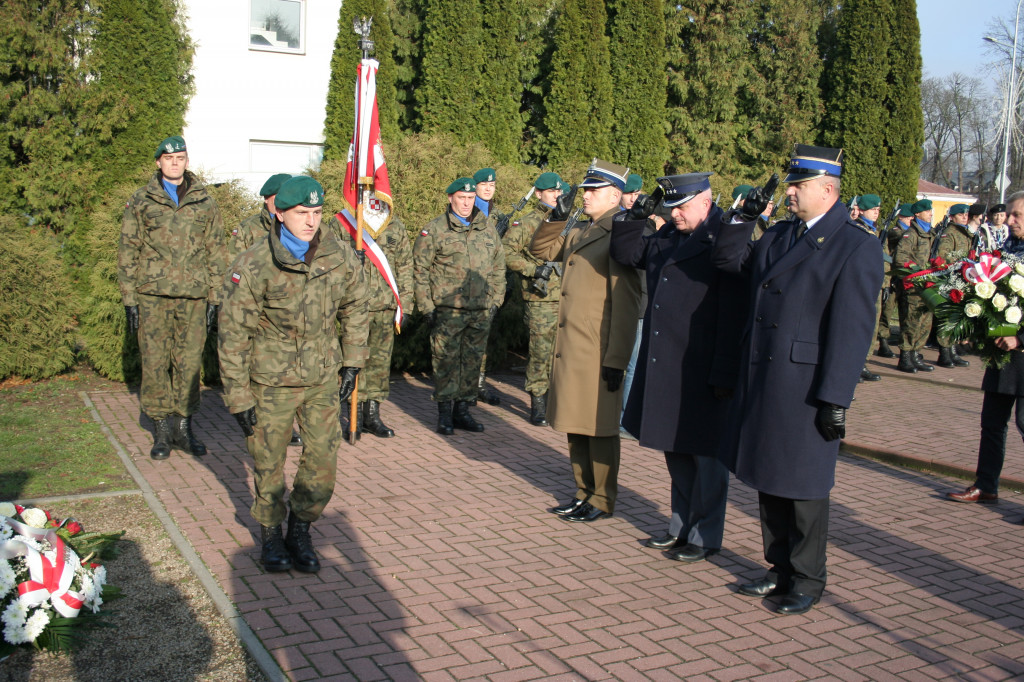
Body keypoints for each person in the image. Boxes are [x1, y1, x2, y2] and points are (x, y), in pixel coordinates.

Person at [712, 145, 883, 615]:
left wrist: (835, 396)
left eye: (798, 185)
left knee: (804, 484)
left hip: (805, 385)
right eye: (791, 183)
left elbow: (852, 330)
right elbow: (731, 265)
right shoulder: (780, 235)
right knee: (770, 474)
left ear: (827, 190)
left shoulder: (855, 244)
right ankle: (779, 566)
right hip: (765, 374)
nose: (789, 192)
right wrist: (740, 219)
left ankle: (808, 576)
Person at [218, 176, 369, 573]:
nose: (310, 221)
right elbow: (233, 333)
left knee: (322, 460)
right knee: (268, 463)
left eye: (317, 213)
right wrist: (238, 397)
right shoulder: (254, 264)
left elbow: (356, 304)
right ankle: (270, 533)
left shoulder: (335, 255)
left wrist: (352, 361)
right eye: (302, 213)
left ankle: (300, 529)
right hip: (270, 383)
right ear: (279, 213)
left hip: (321, 378)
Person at [610, 172, 744, 562]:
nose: (674, 214)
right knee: (676, 451)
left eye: (681, 207)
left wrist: (724, 371)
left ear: (706, 201)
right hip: (668, 363)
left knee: (706, 457)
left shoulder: (725, 240)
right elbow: (628, 254)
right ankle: (679, 526)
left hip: (703, 367)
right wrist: (635, 216)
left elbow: (733, 314)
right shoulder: (669, 235)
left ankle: (705, 535)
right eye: (669, 207)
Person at [529, 159, 642, 523]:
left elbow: (626, 302)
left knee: (601, 428)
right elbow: (542, 251)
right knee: (576, 424)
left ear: (614, 194)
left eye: (593, 190)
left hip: (598, 348)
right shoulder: (580, 229)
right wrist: (557, 217)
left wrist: (617, 358)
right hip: (575, 346)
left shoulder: (620, 232)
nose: (585, 195)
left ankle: (602, 498)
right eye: (586, 189)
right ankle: (582, 493)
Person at [118, 135, 227, 460]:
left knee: (189, 363)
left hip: (193, 297)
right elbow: (128, 249)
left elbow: (216, 249)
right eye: (169, 158)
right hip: (152, 296)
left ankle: (184, 427)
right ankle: (162, 430)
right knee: (155, 363)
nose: (175, 163)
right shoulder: (141, 200)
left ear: (187, 161)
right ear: (159, 163)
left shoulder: (205, 201)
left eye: (180, 157)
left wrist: (215, 296)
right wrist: (130, 300)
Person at [947, 191, 1024, 505]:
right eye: (1010, 214)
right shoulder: (1007, 248)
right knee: (992, 422)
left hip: (1021, 353)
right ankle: (986, 484)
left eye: (1017, 215)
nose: (1010, 220)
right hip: (1000, 351)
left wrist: (1020, 339)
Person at [414, 177, 505, 435]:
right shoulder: (434, 230)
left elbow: (499, 268)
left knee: (472, 362)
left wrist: (495, 301)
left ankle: (463, 411)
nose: (466, 203)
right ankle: (444, 414)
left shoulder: (487, 230)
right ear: (450, 198)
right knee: (445, 362)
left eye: (470, 198)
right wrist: (426, 307)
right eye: (461, 198)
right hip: (447, 311)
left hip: (480, 311)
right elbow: (420, 271)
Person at [229, 173, 303, 447]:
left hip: (291, 313)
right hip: (259, 314)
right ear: (268, 200)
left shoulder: (299, 229)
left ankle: (290, 424)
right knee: (261, 370)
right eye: (278, 199)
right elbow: (233, 267)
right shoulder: (249, 229)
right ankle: (259, 419)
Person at [329, 209, 413, 439]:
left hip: (385, 307)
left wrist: (405, 304)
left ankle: (372, 416)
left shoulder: (394, 224)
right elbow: (327, 260)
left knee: (379, 365)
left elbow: (405, 266)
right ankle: (353, 415)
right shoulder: (342, 223)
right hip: (354, 308)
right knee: (352, 363)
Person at [502, 171, 566, 426]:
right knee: (540, 352)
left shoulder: (568, 222)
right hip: (540, 300)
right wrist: (532, 270)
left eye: (559, 192)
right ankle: (538, 402)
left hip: (566, 297)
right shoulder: (526, 223)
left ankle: (557, 401)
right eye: (552, 191)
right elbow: (506, 252)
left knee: (562, 354)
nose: (556, 196)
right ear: (539, 194)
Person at [617, 173, 661, 435]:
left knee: (635, 363)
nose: (634, 198)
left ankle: (627, 417)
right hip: (630, 301)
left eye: (637, 193)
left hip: (644, 300)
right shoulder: (622, 222)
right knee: (629, 363)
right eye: (629, 193)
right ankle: (624, 420)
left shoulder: (648, 223)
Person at [893, 199, 937, 373]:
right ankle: (905, 358)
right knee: (911, 323)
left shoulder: (932, 234)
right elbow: (900, 259)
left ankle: (916, 355)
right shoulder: (911, 234)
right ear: (917, 214)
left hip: (930, 287)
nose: (931, 214)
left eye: (931, 211)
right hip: (913, 287)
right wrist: (918, 272)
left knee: (925, 323)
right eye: (927, 211)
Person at [472, 167, 503, 406]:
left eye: (492, 185)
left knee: (483, 338)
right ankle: (466, 386)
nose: (488, 188)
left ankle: (479, 383)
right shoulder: (466, 211)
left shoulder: (498, 215)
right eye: (484, 185)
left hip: (490, 286)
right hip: (469, 285)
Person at [932, 204, 972, 368]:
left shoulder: (965, 233)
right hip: (951, 279)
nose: (964, 216)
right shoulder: (949, 233)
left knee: (956, 317)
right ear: (953, 217)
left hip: (963, 279)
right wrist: (958, 265)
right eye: (960, 214)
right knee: (947, 317)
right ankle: (944, 352)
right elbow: (944, 256)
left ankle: (952, 350)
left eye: (966, 214)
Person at [854, 194, 884, 382]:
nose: (876, 213)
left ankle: (862, 362)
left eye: (878, 210)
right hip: (860, 284)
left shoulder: (874, 230)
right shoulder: (857, 229)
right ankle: (854, 364)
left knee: (871, 325)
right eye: (873, 209)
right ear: (862, 210)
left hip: (874, 283)